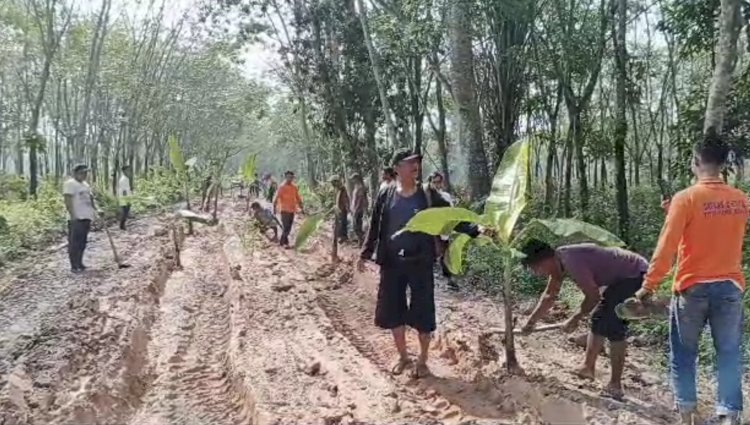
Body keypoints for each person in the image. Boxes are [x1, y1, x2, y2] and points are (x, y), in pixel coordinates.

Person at [635, 131, 747, 425]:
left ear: (695, 162)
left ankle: (688, 416)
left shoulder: (686, 199)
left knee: (684, 354)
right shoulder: (740, 200)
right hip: (730, 287)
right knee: (729, 353)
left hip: (692, 288)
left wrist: (649, 286)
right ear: (723, 164)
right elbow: (718, 228)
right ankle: (729, 416)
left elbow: (667, 246)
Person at [358, 148, 451, 379]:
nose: (415, 166)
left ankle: (422, 360)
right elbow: (375, 226)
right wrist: (365, 252)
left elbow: (451, 217)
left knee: (423, 313)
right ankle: (403, 357)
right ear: (397, 168)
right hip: (392, 263)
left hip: (420, 262)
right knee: (393, 311)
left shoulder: (428, 195)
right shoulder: (386, 194)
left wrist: (475, 228)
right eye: (410, 162)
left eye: (416, 162)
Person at [519, 239, 648, 400]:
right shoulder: (559, 262)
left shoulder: (572, 261)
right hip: (620, 277)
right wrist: (530, 323)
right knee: (598, 318)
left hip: (635, 274)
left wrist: (575, 319)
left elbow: (593, 296)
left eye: (537, 269)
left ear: (545, 260)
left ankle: (615, 385)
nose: (539, 273)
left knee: (614, 325)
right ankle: (588, 368)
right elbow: (549, 295)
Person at [63, 164, 98, 273]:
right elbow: (68, 200)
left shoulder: (85, 185)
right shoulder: (70, 184)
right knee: (74, 242)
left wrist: (96, 210)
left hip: (86, 216)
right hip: (76, 218)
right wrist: (73, 215)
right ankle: (74, 265)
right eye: (82, 173)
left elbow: (91, 198)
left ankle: (80, 262)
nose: (84, 175)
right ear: (75, 173)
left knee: (83, 242)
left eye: (85, 173)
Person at [273, 171, 304, 248]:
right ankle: (283, 242)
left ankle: (284, 242)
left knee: (288, 228)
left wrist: (301, 207)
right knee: (286, 227)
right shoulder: (281, 187)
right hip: (284, 210)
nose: (290, 179)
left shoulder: (294, 187)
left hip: (292, 210)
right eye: (288, 177)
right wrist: (274, 207)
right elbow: (276, 198)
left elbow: (298, 198)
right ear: (285, 177)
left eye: (291, 177)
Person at [350, 173, 368, 246]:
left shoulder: (360, 187)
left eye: (353, 179)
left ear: (356, 179)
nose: (352, 180)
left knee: (357, 226)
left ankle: (361, 241)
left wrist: (356, 209)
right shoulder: (356, 186)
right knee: (356, 226)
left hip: (358, 210)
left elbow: (360, 200)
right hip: (355, 209)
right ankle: (360, 241)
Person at [331, 176, 350, 243]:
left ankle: (343, 237)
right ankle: (340, 236)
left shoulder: (342, 189)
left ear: (336, 182)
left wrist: (347, 208)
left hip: (342, 209)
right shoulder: (337, 189)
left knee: (342, 223)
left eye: (333, 182)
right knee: (339, 223)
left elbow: (345, 199)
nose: (332, 184)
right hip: (338, 209)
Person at [117, 165, 132, 230]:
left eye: (129, 170)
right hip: (124, 198)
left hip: (126, 197)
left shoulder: (126, 178)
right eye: (127, 170)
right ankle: (122, 225)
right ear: (124, 171)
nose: (128, 171)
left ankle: (122, 225)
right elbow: (124, 191)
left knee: (126, 212)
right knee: (125, 212)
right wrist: (126, 200)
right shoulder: (123, 179)